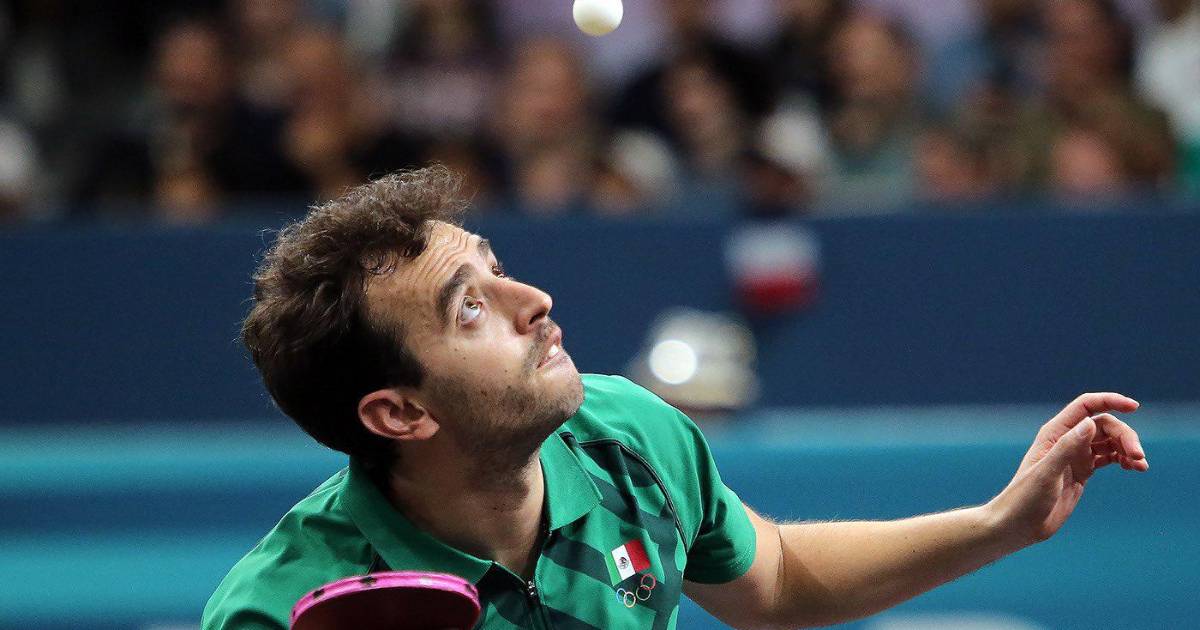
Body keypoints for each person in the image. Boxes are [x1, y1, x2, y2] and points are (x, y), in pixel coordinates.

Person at [202, 165, 1149, 629]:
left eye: (499, 268)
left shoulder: (627, 435)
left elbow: (773, 579)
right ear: (399, 413)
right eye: (471, 309)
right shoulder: (282, 610)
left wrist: (999, 525)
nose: (534, 301)